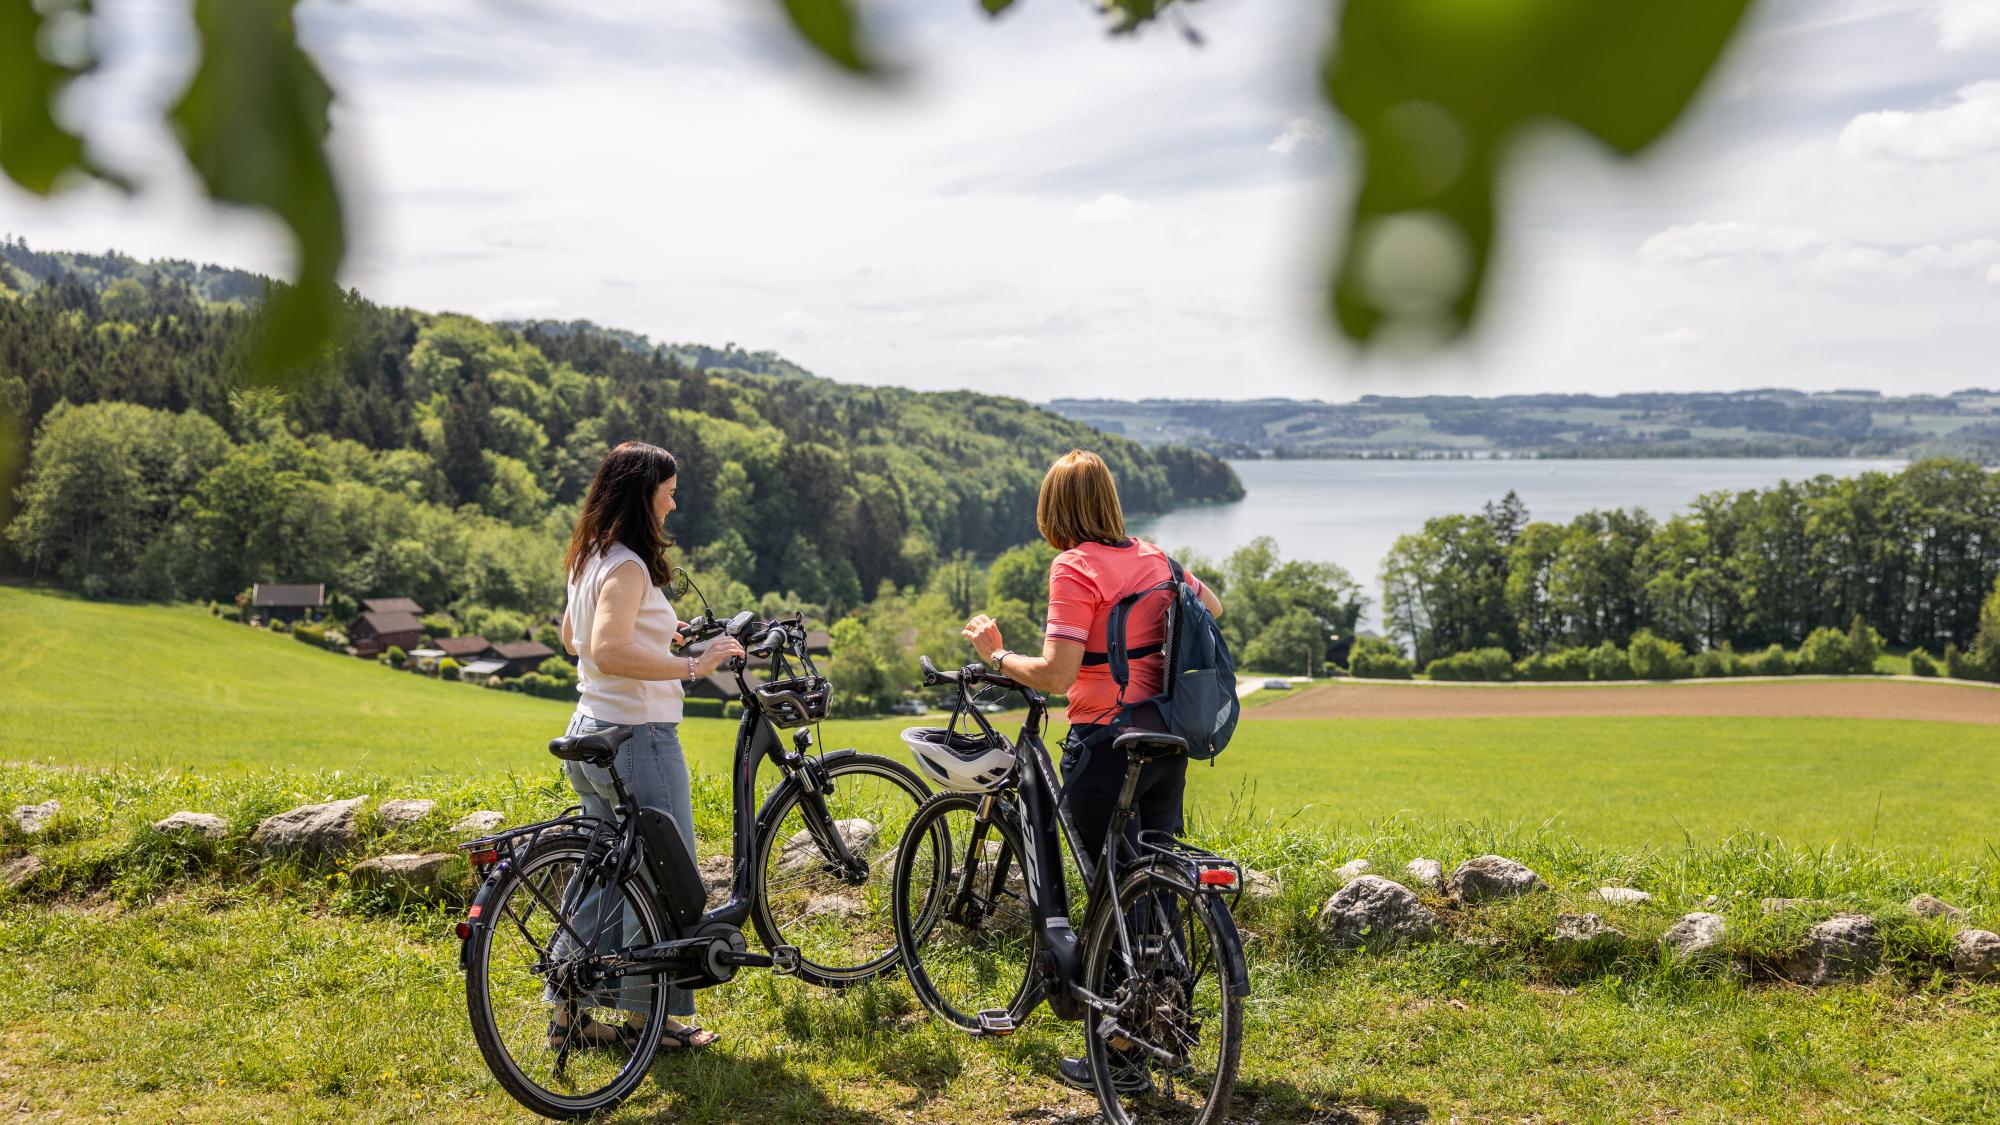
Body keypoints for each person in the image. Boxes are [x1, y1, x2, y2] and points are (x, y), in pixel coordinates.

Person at [959, 448, 1223, 1093]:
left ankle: (1123, 1053)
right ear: (1108, 500)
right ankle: (1169, 1027)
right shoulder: (1156, 557)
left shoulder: (1075, 566)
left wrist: (997, 656)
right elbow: (1212, 607)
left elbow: (1056, 675)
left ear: (1055, 510)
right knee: (1153, 886)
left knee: (1107, 893)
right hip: (1165, 740)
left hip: (1105, 741)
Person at [550, 441, 744, 1051]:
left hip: (593, 729)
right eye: (668, 492)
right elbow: (608, 649)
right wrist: (694, 665)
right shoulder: (629, 565)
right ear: (644, 495)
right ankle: (648, 1022)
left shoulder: (591, 556)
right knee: (663, 878)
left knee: (600, 877)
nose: (674, 503)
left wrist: (659, 634)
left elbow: (573, 638)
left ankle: (569, 1016)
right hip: (640, 736)